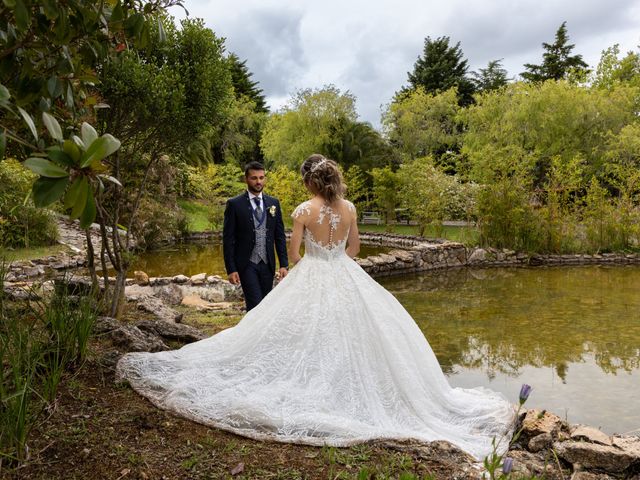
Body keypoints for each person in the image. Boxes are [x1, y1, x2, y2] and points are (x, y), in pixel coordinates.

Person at [116, 154, 515, 460]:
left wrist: (301, 259)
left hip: (313, 273)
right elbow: (355, 250)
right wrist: (337, 250)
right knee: (358, 334)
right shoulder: (351, 209)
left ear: (310, 180)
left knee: (291, 330)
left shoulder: (302, 211)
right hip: (344, 274)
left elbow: (293, 254)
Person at [222, 161, 288, 311]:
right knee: (255, 305)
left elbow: (279, 236)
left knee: (267, 303)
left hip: (268, 264)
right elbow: (228, 239)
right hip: (246, 265)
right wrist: (231, 268)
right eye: (254, 178)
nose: (258, 181)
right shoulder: (234, 204)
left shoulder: (273, 203)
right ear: (246, 179)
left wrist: (283, 264)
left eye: (261, 177)